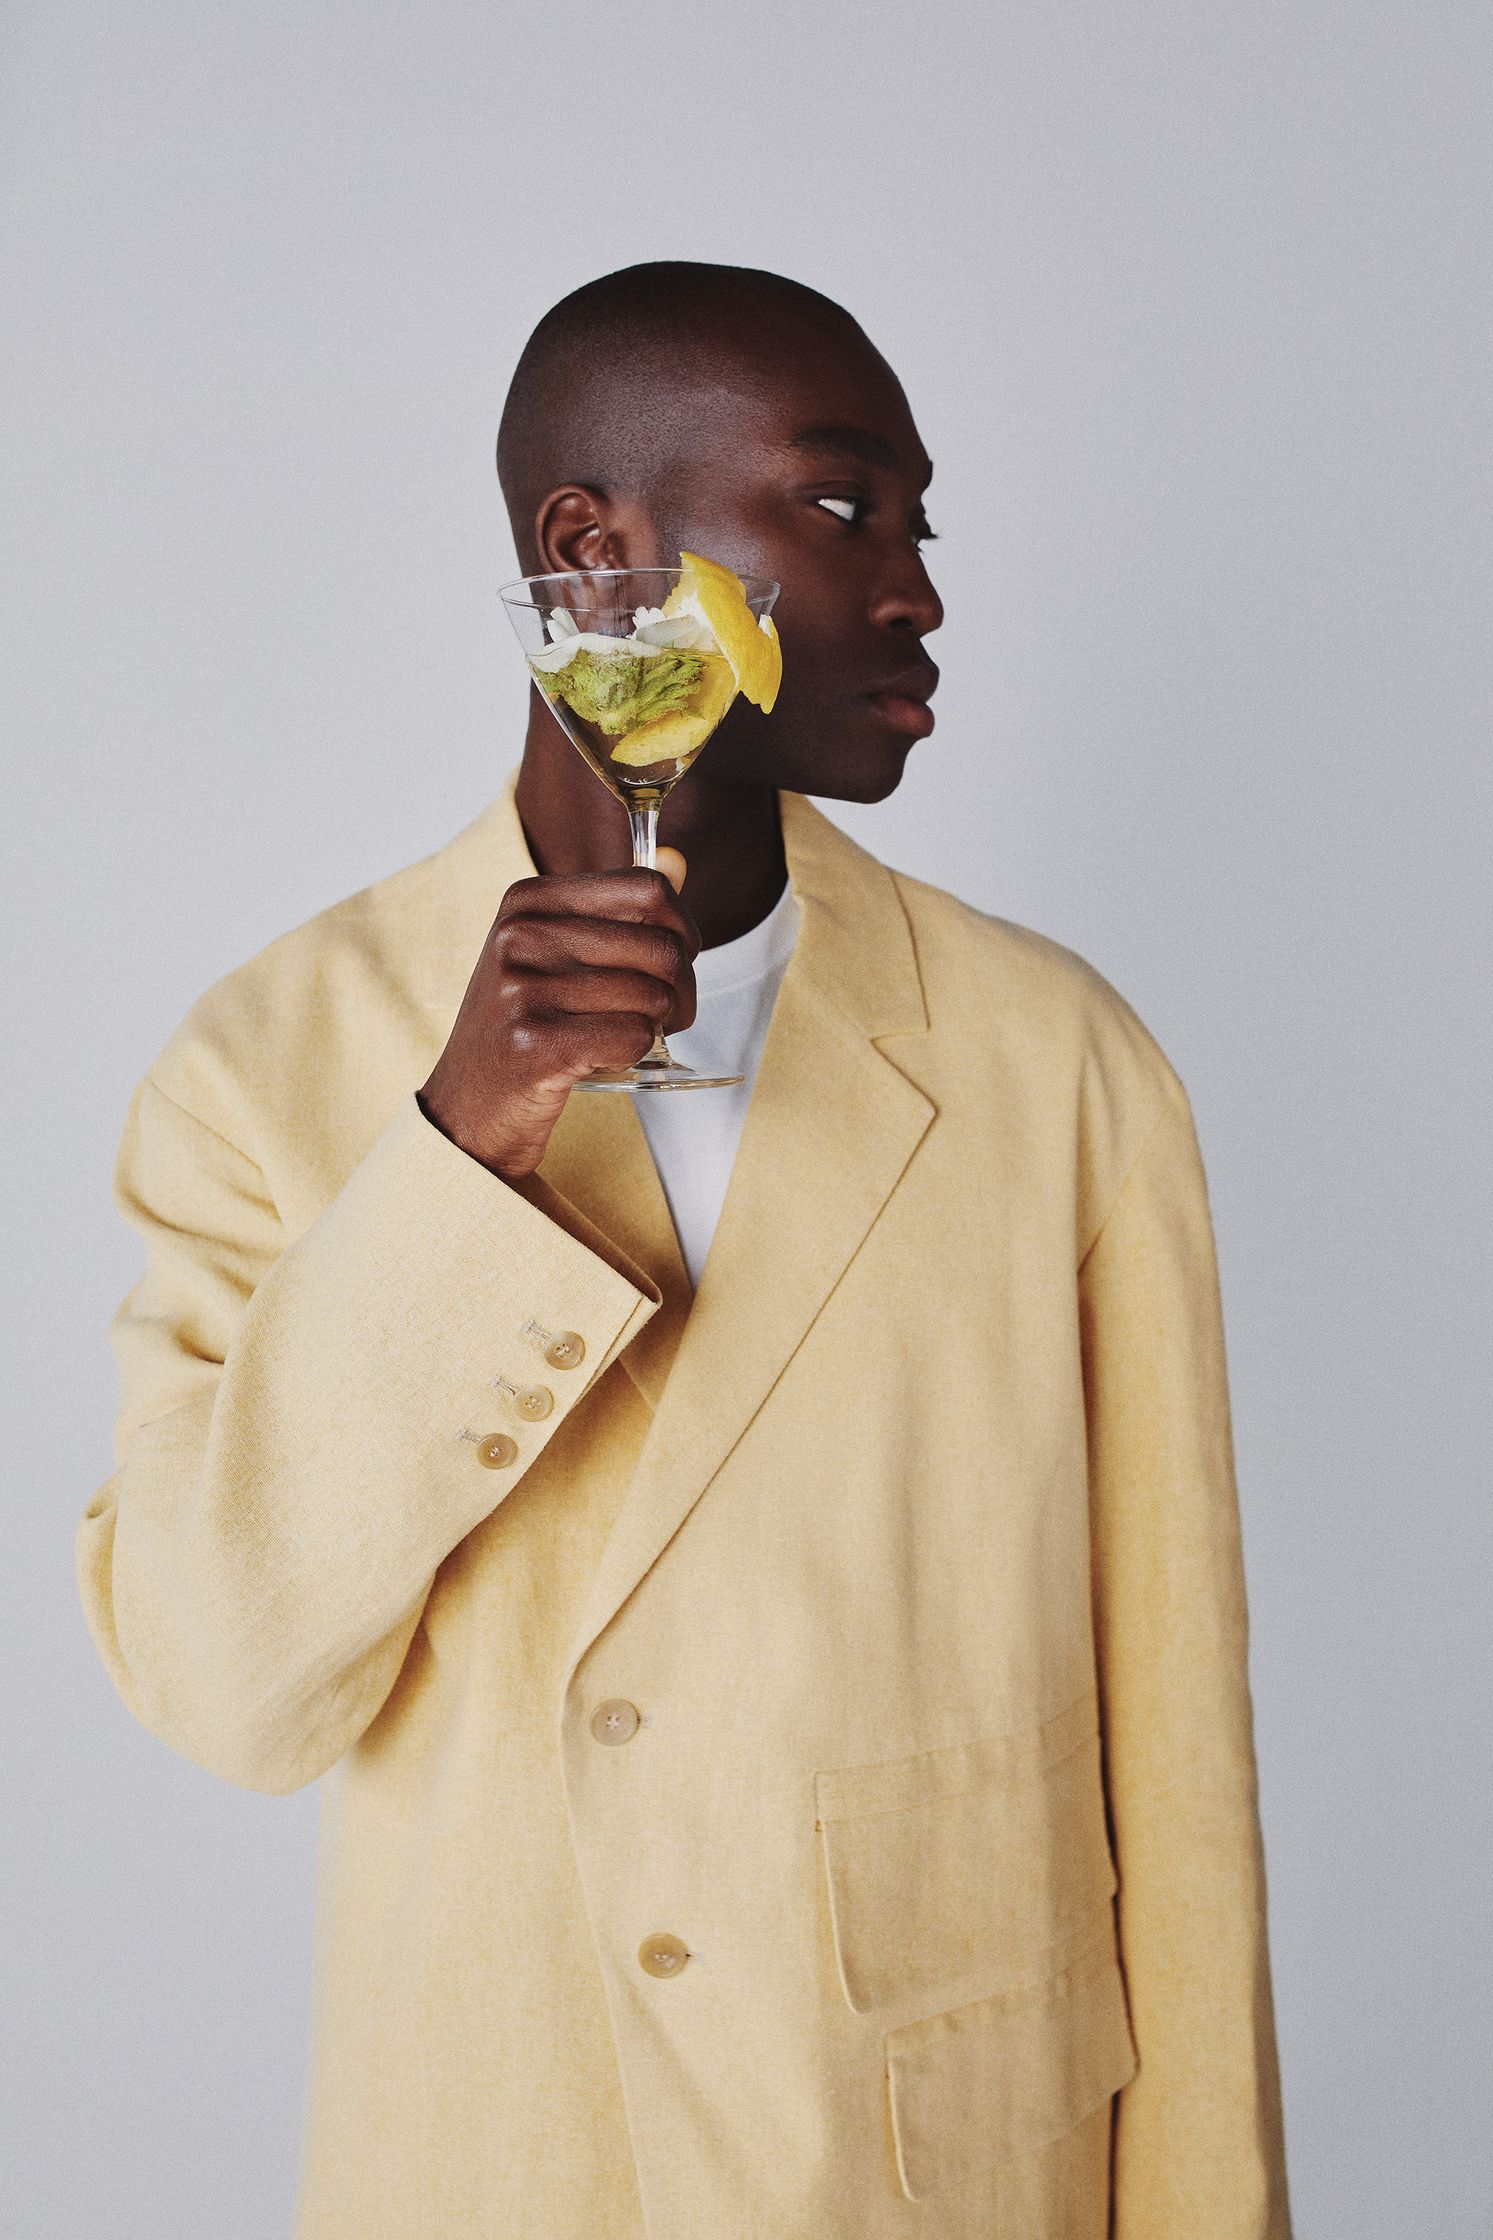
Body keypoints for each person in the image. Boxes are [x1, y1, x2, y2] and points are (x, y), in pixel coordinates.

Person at [78, 262, 1292, 2239]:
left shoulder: (1061, 1065)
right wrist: (461, 1143)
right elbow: (222, 1692)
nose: (915, 588)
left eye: (920, 519)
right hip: (494, 2164)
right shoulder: (270, 1060)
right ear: (593, 553)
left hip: (939, 2180)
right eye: (840, 506)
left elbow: (1178, 1764)